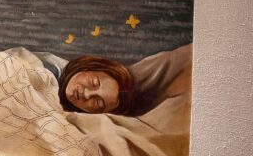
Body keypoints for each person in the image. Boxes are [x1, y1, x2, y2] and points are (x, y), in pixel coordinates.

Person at [57, 44, 192, 116]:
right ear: (91, 68)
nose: (86, 95)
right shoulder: (48, 67)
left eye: (98, 103)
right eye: (94, 83)